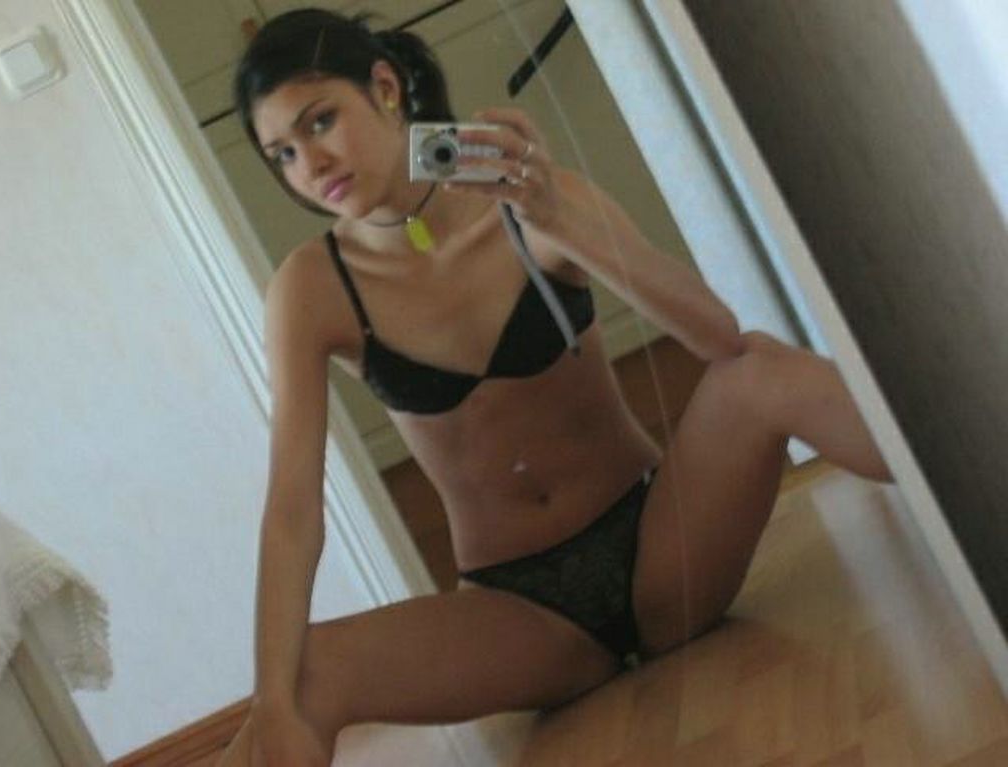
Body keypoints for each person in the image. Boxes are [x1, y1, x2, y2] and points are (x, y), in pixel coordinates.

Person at [218, 8, 892, 766]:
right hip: (521, 614)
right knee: (297, 679)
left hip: (661, 545)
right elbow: (292, 508)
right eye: (282, 154)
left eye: (320, 122)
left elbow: (720, 339)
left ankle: (968, 485)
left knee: (766, 370)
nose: (310, 164)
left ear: (384, 87)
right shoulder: (312, 289)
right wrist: (273, 701)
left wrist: (556, 215)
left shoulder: (524, 195)